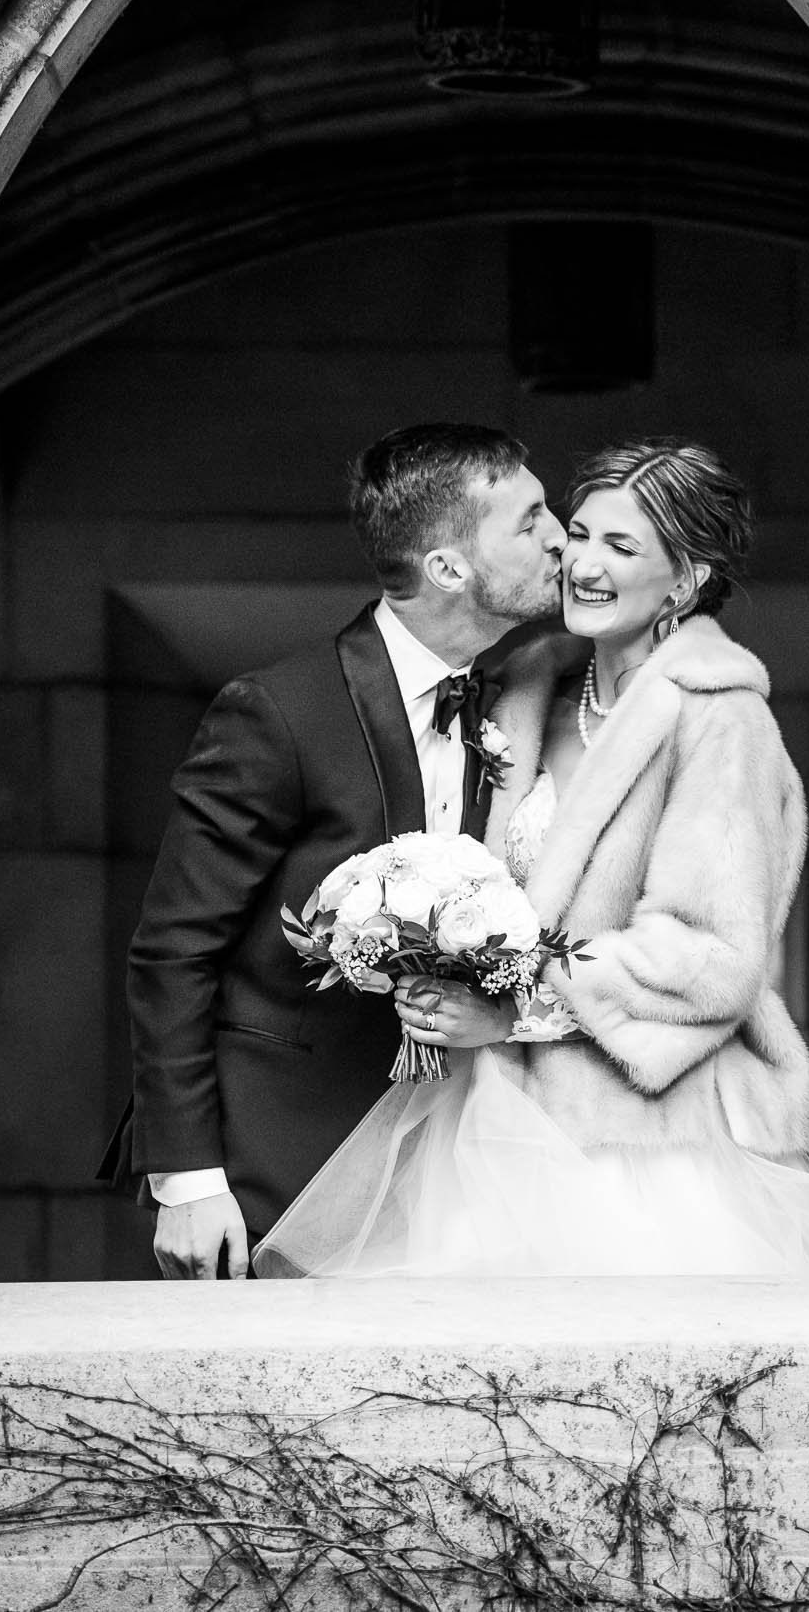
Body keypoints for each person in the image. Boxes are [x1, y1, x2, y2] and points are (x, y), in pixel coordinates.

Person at [253, 440, 809, 1277]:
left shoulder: (720, 722)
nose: (581, 561)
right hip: (489, 1124)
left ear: (686, 580)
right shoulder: (526, 698)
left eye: (623, 546)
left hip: (644, 1150)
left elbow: (710, 953)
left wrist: (515, 1008)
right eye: (580, 532)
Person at [103, 424, 571, 1279]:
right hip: (273, 1170)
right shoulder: (277, 712)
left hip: (447, 1169)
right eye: (530, 517)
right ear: (448, 568)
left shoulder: (511, 709)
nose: (559, 533)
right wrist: (187, 1179)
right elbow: (173, 949)